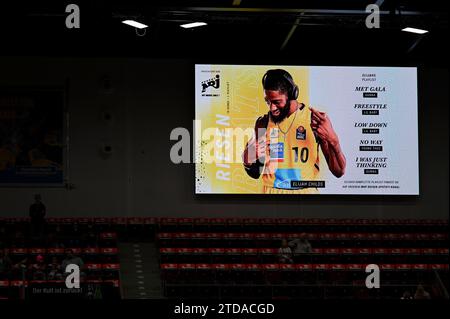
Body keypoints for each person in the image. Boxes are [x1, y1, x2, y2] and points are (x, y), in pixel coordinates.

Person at [242, 69, 346, 194]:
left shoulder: (313, 119)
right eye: (268, 101)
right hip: (271, 194)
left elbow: (339, 171)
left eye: (277, 102)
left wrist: (333, 140)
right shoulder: (263, 123)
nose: (271, 107)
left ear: (292, 95)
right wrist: (248, 159)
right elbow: (255, 173)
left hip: (305, 193)